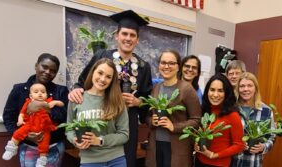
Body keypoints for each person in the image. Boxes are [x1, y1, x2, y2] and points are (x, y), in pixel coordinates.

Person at [68, 10, 153, 167]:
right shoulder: (102, 55)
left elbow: (149, 97)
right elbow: (82, 81)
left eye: (132, 35)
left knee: (127, 160)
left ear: (137, 40)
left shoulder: (143, 66)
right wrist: (75, 90)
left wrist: (138, 101)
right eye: (124, 34)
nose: (128, 38)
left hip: (128, 120)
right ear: (117, 35)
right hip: (101, 116)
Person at [3, 53, 69, 167]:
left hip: (53, 148)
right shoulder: (19, 89)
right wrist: (24, 135)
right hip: (27, 146)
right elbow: (8, 117)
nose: (48, 72)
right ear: (36, 66)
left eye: (53, 70)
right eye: (44, 67)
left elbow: (65, 117)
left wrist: (44, 108)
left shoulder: (61, 91)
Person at [66, 58, 129, 167]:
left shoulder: (118, 101)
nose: (103, 79)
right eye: (100, 73)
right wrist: (75, 140)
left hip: (116, 159)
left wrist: (100, 141)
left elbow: (124, 135)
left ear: (112, 81)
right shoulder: (77, 99)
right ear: (93, 72)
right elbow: (69, 129)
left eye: (108, 77)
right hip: (89, 161)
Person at [145, 49, 202, 167]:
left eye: (171, 63)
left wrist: (173, 126)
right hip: (156, 146)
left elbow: (196, 120)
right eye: (163, 62)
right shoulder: (156, 88)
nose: (167, 66)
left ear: (178, 67)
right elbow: (148, 116)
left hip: (177, 148)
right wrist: (152, 121)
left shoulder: (187, 89)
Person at [2, 83, 64, 167]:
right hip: (29, 125)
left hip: (44, 128)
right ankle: (12, 148)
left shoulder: (48, 102)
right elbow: (22, 113)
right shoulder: (28, 102)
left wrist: (56, 102)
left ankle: (42, 160)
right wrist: (20, 120)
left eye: (43, 92)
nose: (40, 93)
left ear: (47, 94)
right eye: (36, 92)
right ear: (31, 95)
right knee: (18, 133)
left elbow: (62, 104)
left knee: (45, 143)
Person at [194, 73, 244, 167]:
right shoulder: (204, 110)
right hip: (199, 161)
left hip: (220, 164)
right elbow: (198, 133)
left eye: (220, 91)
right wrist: (196, 144)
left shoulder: (232, 115)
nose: (215, 94)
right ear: (207, 91)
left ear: (226, 93)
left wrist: (215, 155)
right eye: (212, 90)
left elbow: (239, 145)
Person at [231, 72, 276, 167]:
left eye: (249, 85)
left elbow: (272, 136)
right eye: (242, 86)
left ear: (255, 88)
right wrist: (237, 144)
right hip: (231, 162)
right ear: (238, 89)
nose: (245, 89)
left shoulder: (266, 111)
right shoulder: (231, 109)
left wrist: (263, 147)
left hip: (253, 163)